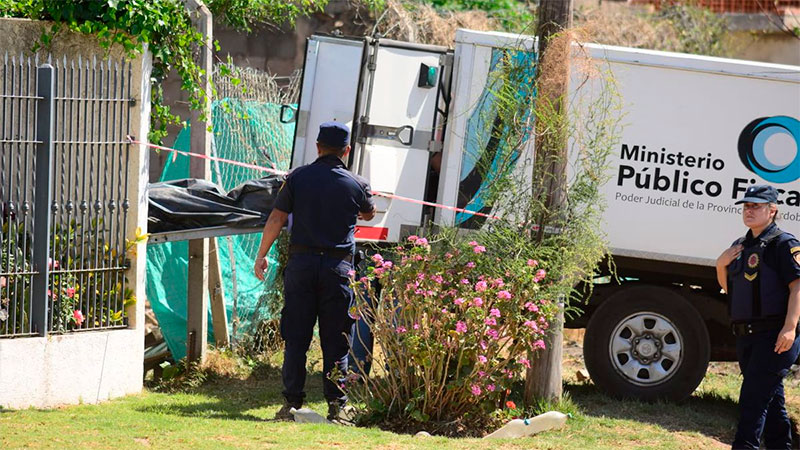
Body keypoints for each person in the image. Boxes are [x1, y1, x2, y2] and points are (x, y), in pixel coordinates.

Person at [254, 121, 376, 421]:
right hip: (337, 268)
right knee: (336, 338)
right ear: (346, 151)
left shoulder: (297, 178)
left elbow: (277, 218)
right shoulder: (356, 184)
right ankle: (337, 406)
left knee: (296, 336)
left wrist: (261, 255)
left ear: (318, 147)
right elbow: (369, 213)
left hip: (302, 266)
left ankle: (291, 404)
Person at [715, 184, 800, 449]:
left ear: (772, 210)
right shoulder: (740, 245)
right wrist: (720, 263)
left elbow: (798, 286)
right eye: (746, 206)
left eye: (756, 206)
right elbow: (731, 288)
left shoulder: (783, 244)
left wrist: (790, 327)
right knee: (771, 403)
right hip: (747, 337)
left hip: (775, 336)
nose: (748, 211)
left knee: (752, 401)